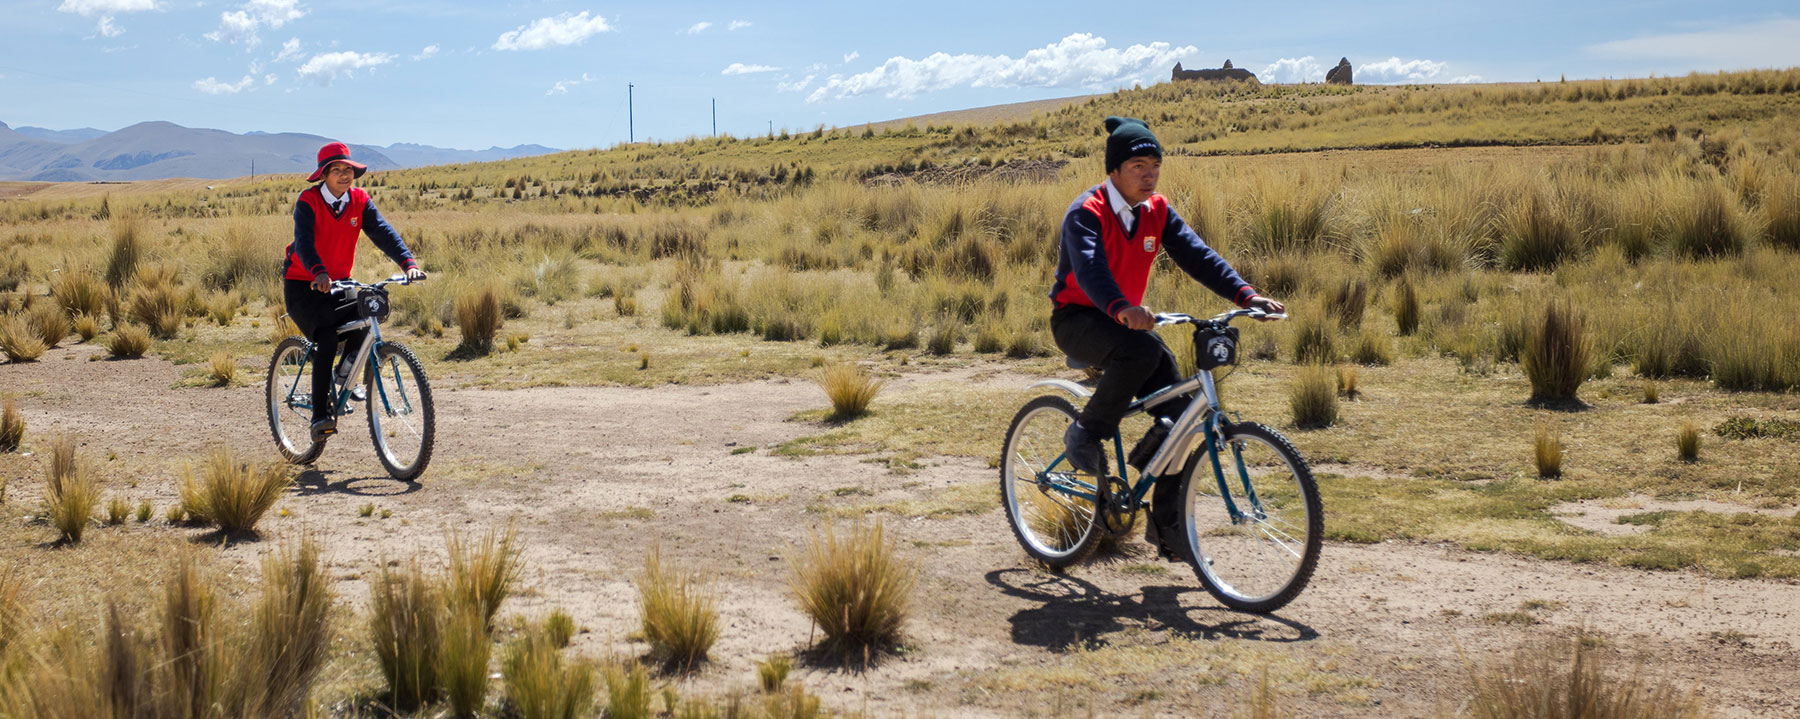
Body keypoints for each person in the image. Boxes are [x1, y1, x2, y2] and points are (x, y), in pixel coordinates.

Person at [1048, 116, 1284, 559]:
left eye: (1155, 164)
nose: (1149, 173)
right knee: (1140, 349)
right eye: (1138, 164)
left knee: (1181, 422)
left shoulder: (1157, 209)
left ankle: (1168, 530)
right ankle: (1085, 432)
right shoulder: (1087, 212)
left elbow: (1197, 254)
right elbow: (1089, 270)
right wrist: (1121, 307)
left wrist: (1247, 295)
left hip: (1124, 320)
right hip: (1078, 319)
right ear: (1114, 170)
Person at [282, 141, 427, 441]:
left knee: (367, 309)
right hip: (304, 284)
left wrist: (408, 263)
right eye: (337, 170)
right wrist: (318, 271)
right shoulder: (308, 202)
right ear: (324, 175)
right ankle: (320, 415)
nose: (344, 175)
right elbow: (304, 243)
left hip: (340, 283)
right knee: (326, 334)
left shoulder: (359, 200)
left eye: (348, 169)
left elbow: (382, 231)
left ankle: (344, 376)